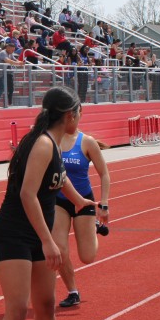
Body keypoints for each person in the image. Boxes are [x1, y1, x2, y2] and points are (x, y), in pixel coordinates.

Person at [0, 87, 93, 320]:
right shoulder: (43, 144)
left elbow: (59, 178)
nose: (80, 117)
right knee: (17, 309)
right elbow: (27, 194)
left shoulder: (53, 142)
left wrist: (80, 201)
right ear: (70, 115)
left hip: (37, 232)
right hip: (15, 233)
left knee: (46, 305)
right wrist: (49, 240)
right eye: (79, 112)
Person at [53, 107, 111, 308]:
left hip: (84, 201)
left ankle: (94, 227)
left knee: (87, 257)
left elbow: (104, 174)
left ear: (79, 115)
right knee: (59, 248)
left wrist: (104, 204)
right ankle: (73, 292)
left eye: (74, 115)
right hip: (59, 200)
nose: (72, 118)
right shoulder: (52, 140)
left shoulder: (87, 142)